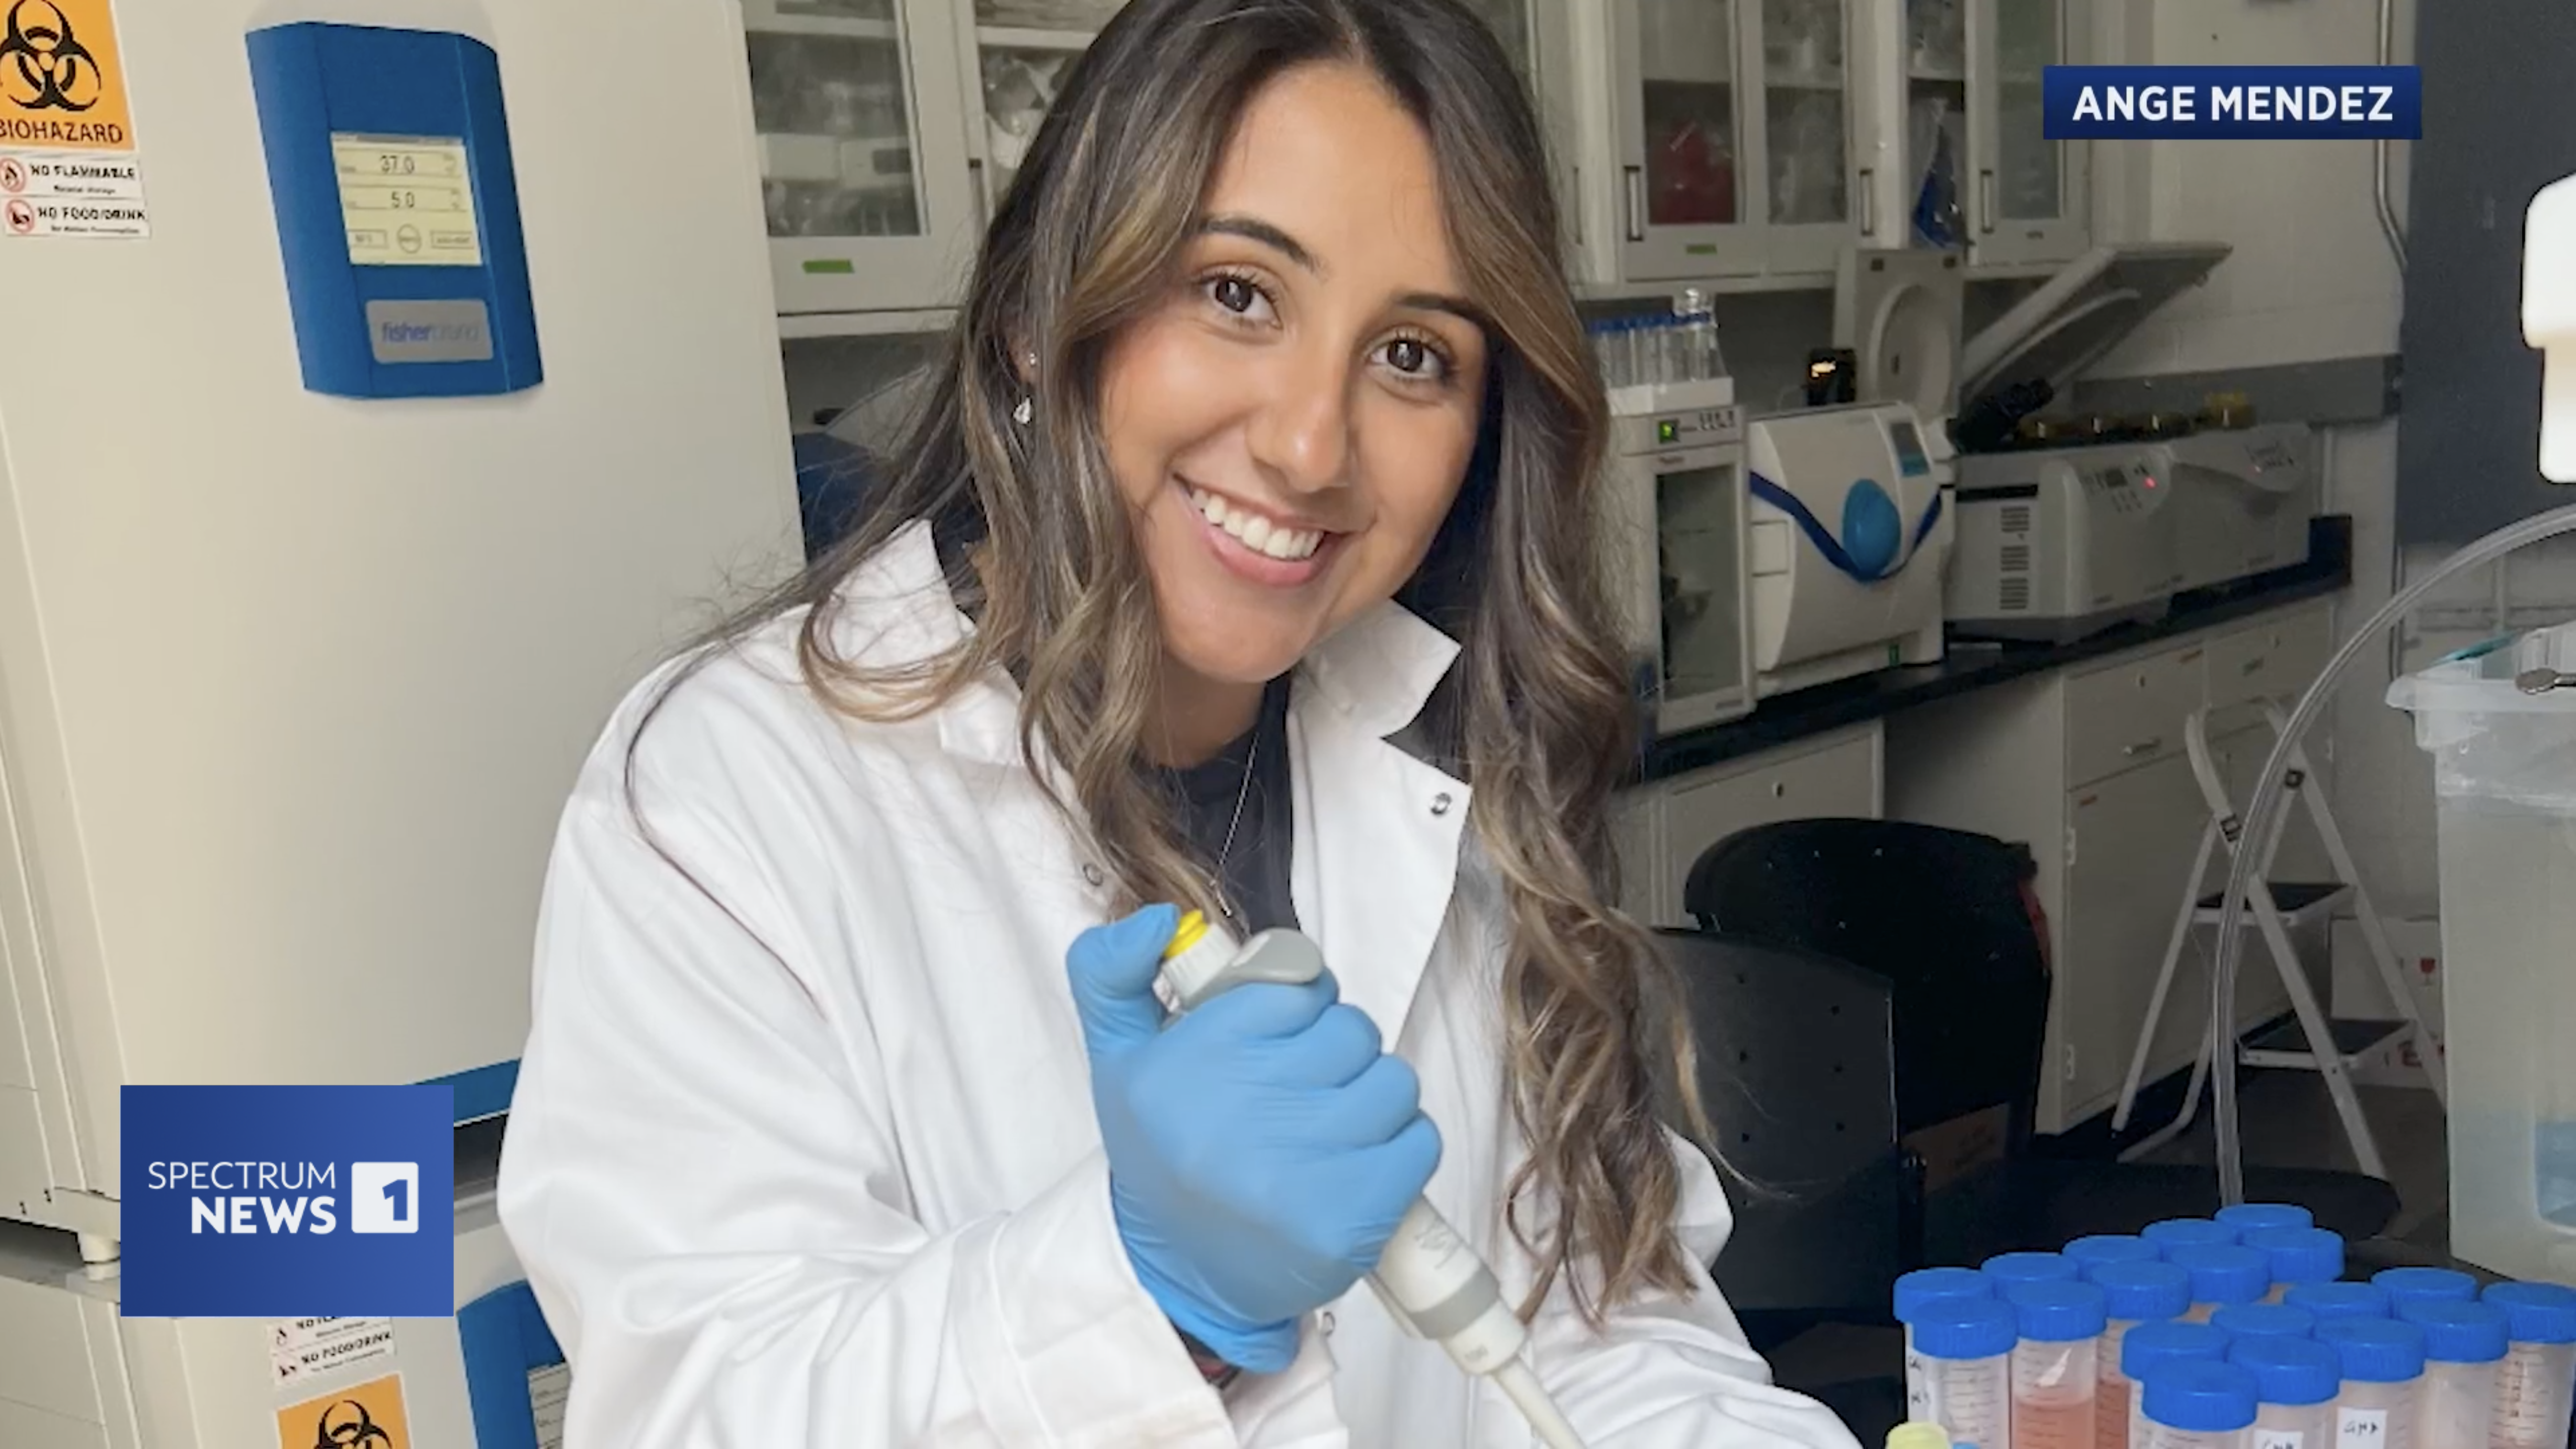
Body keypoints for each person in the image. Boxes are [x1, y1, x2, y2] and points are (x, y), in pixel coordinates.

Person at [496, 1, 1862, 1444]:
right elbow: (705, 1407)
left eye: (1412, 355)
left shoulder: (1440, 759)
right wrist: (1149, 1294)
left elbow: (1606, 1337)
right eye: (1237, 295)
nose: (1310, 444)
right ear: (1037, 317)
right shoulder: (733, 790)